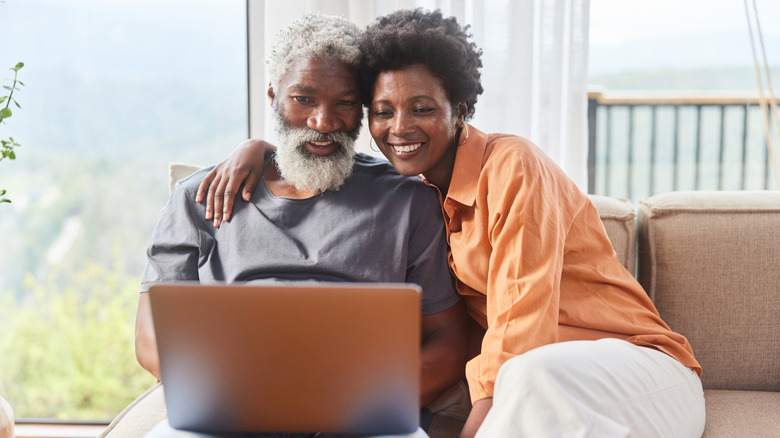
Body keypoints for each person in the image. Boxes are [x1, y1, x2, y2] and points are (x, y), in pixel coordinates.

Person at [199, 8, 707, 438]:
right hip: (538, 384)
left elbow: (520, 328)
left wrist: (477, 420)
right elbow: (312, 145)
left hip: (636, 372)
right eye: (382, 111)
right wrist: (260, 149)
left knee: (527, 375)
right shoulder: (414, 187)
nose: (399, 128)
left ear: (459, 108)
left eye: (422, 108)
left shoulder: (513, 166)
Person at [135, 11, 468, 438]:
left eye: (345, 103)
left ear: (362, 108)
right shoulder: (198, 197)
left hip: (365, 419)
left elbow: (447, 341)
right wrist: (239, 400)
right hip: (231, 412)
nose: (324, 122)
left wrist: (356, 406)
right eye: (304, 99)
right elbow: (151, 337)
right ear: (274, 95)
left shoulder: (409, 201)